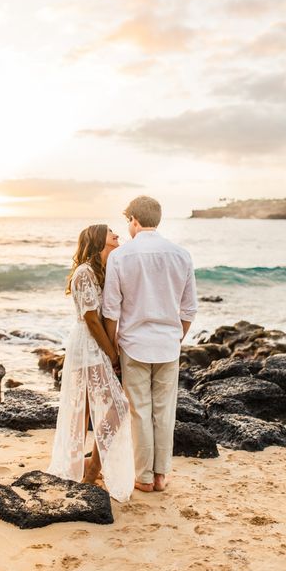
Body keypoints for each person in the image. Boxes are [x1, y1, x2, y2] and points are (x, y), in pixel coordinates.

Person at [102, 196, 198, 492]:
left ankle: (143, 477)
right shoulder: (181, 255)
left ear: (133, 219)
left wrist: (113, 349)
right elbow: (189, 309)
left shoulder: (121, 256)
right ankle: (161, 475)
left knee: (140, 410)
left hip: (133, 345)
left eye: (127, 221)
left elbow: (110, 311)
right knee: (164, 410)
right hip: (168, 344)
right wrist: (175, 337)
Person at [47, 224, 135, 503]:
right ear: (98, 240)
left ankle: (89, 469)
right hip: (88, 345)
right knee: (109, 407)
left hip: (95, 345)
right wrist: (111, 354)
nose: (117, 235)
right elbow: (91, 319)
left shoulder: (102, 271)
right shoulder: (85, 272)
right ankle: (87, 470)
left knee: (94, 409)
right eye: (111, 233)